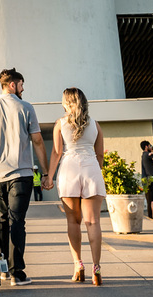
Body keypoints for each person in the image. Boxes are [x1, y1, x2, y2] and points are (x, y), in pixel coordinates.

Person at [0, 68, 48, 287]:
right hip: (21, 174)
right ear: (12, 84)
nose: (23, 88)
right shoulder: (26, 108)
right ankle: (17, 273)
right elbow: (37, 141)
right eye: (22, 84)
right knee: (17, 222)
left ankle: (4, 268)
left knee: (2, 221)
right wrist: (45, 173)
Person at [43, 87, 106, 286]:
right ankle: (96, 268)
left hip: (69, 171)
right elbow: (100, 155)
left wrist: (49, 177)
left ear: (66, 103)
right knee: (93, 222)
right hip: (91, 171)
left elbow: (56, 152)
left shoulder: (60, 124)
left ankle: (78, 266)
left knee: (73, 222)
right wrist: (97, 171)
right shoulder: (95, 125)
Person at [139, 141, 153, 221]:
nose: (151, 147)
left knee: (149, 199)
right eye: (150, 145)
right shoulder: (149, 155)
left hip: (146, 180)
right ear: (146, 146)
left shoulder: (143, 155)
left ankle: (151, 217)